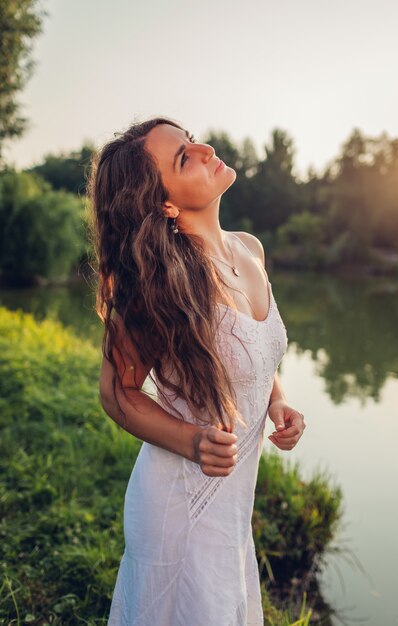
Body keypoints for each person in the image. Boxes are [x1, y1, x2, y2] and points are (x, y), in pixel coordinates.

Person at [88, 116, 306, 626]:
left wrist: (276, 400)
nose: (207, 148)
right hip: (178, 503)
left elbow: (251, 351)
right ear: (164, 202)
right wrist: (190, 440)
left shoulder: (250, 248)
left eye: (191, 141)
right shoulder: (157, 282)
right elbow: (116, 393)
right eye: (185, 156)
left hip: (234, 499)